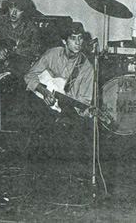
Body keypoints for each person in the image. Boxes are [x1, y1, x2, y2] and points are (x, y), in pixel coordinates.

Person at [24, 22, 94, 163]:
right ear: (64, 41)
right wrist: (43, 92)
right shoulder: (52, 54)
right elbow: (29, 76)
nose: (77, 42)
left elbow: (84, 101)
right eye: (73, 38)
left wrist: (86, 111)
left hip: (68, 111)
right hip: (43, 106)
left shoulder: (87, 68)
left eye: (80, 38)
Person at [0, 0, 43, 79]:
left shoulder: (31, 27)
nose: (13, 13)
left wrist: (16, 51)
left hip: (19, 67)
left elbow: (36, 51)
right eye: (11, 8)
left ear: (24, 11)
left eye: (18, 10)